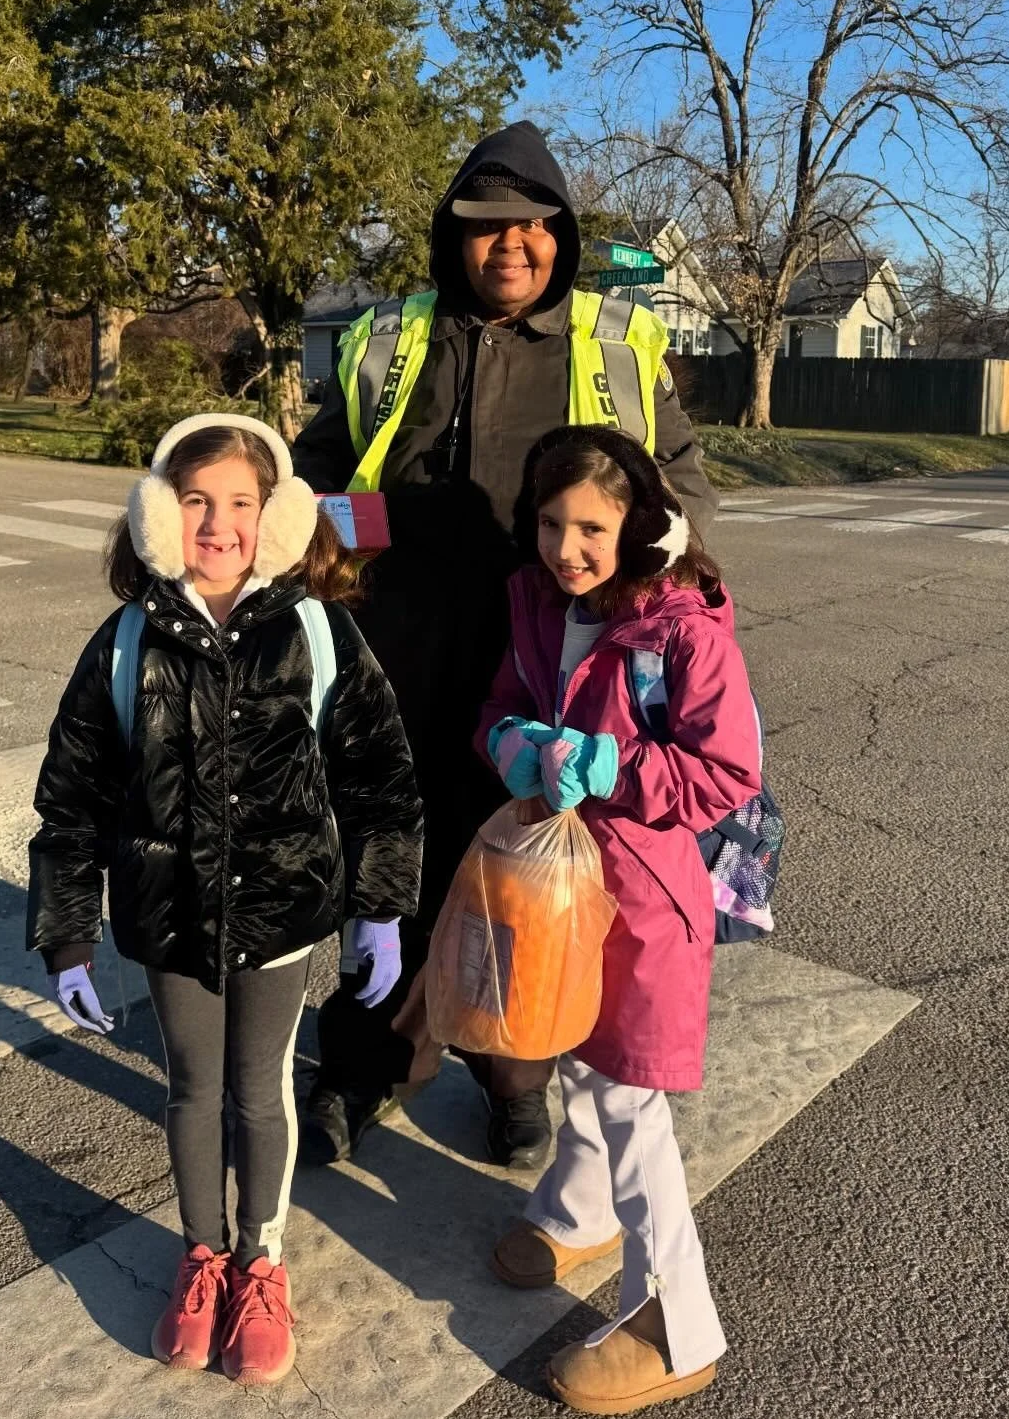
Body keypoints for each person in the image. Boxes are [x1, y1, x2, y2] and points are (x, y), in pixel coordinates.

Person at [293, 119, 718, 1170]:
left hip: (543, 659)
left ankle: (509, 1072)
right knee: (386, 861)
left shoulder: (614, 345)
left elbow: (681, 486)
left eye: (532, 226)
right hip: (395, 648)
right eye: (486, 228)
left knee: (521, 877)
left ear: (562, 236)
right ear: (454, 238)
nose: (511, 246)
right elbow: (317, 471)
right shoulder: (389, 337)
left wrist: (677, 596)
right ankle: (360, 1062)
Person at [27, 414, 422, 1386]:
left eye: (240, 503)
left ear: (275, 516)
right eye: (196, 501)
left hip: (283, 910)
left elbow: (379, 771)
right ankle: (202, 1256)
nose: (218, 523)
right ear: (160, 513)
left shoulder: (319, 632)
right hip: (166, 915)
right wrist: (68, 931)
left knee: (261, 1088)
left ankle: (262, 1260)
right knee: (191, 1089)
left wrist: (379, 906)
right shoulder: (124, 644)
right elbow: (71, 797)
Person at [478, 425, 760, 1415]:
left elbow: (728, 770)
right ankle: (579, 1206)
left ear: (638, 522)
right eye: (551, 523)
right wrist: (514, 743)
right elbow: (501, 705)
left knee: (628, 1094)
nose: (566, 548)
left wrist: (615, 768)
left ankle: (679, 1323)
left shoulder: (683, 626)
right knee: (575, 1057)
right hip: (559, 890)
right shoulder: (536, 602)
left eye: (590, 527)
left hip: (645, 896)